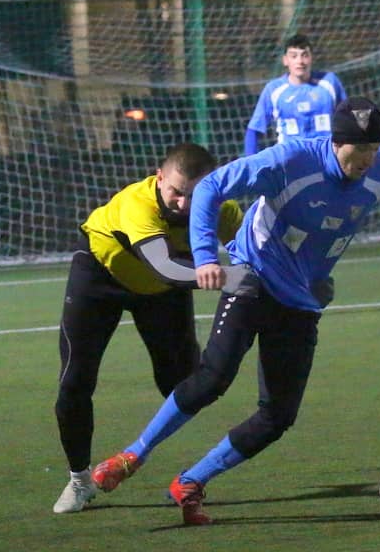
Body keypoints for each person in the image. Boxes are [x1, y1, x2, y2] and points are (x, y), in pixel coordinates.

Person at [89, 97, 380, 525]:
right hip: (253, 277)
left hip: (300, 301)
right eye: (358, 149)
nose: (367, 159)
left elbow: (332, 221)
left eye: (374, 149)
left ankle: (191, 481)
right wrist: (205, 257)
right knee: (213, 378)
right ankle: (131, 456)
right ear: (335, 142)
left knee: (279, 415)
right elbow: (210, 187)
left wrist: (317, 272)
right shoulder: (290, 161)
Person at [52, 143, 247, 514]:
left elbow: (256, 251)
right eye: (176, 191)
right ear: (159, 178)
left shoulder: (223, 209)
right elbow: (164, 267)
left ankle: (189, 478)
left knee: (185, 383)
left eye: (195, 195)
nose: (183, 204)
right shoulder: (137, 204)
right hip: (101, 277)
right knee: (75, 380)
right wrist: (232, 277)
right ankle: (79, 480)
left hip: (162, 294)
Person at [245, 33, 347, 156]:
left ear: (311, 58)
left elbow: (348, 118)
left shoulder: (329, 82)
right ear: (285, 60)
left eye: (305, 55)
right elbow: (254, 129)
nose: (300, 61)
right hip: (291, 159)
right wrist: (251, 162)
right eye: (294, 56)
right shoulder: (274, 90)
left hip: (327, 156)